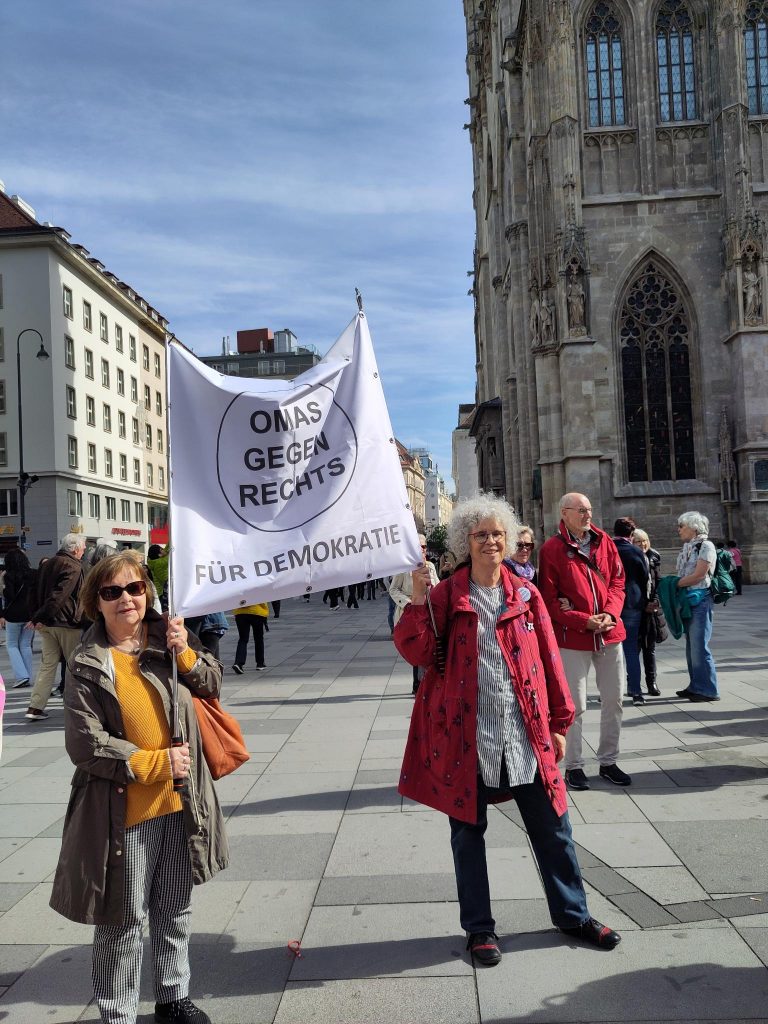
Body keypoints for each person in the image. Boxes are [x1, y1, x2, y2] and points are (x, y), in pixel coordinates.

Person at [395, 494, 620, 967]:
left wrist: (561, 723)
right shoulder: (444, 596)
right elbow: (415, 651)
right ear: (465, 541)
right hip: (466, 739)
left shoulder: (525, 592)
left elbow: (547, 658)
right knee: (468, 833)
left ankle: (573, 915)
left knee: (554, 827)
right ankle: (480, 930)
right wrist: (417, 599)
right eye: (481, 535)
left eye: (498, 534)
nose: (492, 542)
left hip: (524, 734)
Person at [49, 550, 228, 1024]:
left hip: (179, 804)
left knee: (174, 908)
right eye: (112, 592)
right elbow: (86, 744)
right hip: (122, 813)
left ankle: (173, 996)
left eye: (134, 588)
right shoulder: (88, 663)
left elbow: (211, 682)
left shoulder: (164, 639)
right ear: (96, 602)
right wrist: (154, 762)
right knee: (122, 922)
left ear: (147, 592)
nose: (126, 599)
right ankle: (119, 1013)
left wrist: (183, 648)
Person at [537, 494, 630, 791]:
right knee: (574, 705)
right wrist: (582, 620)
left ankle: (608, 760)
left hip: (609, 632)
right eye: (581, 510)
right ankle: (574, 766)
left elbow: (617, 581)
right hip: (573, 637)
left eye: (589, 509)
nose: (587, 514)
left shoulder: (604, 541)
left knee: (614, 700)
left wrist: (610, 613)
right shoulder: (552, 549)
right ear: (564, 513)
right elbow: (549, 601)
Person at [26, 533, 87, 721]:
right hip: (66, 623)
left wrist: (37, 618)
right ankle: (74, 707)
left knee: (47, 665)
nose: (84, 551)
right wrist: (41, 616)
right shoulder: (74, 566)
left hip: (48, 624)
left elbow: (35, 592)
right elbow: (60, 595)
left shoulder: (48, 563)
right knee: (73, 665)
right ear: (75, 549)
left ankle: (35, 707)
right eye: (83, 548)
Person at [675, 511, 720, 702]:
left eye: (681, 526)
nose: (678, 530)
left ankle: (708, 689)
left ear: (693, 528)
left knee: (700, 646)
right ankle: (696, 685)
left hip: (700, 599)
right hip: (688, 599)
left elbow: (700, 575)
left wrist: (674, 584)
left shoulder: (706, 545)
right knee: (691, 646)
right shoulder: (688, 547)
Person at [389, 534, 439, 694]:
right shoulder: (404, 567)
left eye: (424, 547)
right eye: (418, 546)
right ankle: (418, 685)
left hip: (428, 612)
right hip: (410, 613)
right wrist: (409, 603)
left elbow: (437, 586)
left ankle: (424, 684)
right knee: (415, 646)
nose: (422, 550)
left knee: (427, 646)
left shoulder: (430, 566)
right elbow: (393, 589)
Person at [612, 518, 650, 707]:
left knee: (608, 650)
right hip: (632, 603)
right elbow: (645, 578)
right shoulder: (636, 551)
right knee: (631, 649)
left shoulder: (606, 549)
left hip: (610, 604)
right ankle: (636, 692)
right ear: (631, 534)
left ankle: (609, 692)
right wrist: (646, 600)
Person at [630, 529, 666, 696]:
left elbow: (659, 582)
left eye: (644, 540)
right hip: (635, 610)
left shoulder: (654, 556)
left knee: (649, 648)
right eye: (638, 541)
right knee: (634, 648)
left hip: (651, 611)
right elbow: (629, 587)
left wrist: (655, 601)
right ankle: (633, 684)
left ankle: (652, 683)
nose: (642, 544)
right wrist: (642, 604)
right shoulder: (628, 558)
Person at [0, 548, 37, 689]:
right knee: (26, 644)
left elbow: (9, 595)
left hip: (13, 615)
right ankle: (27, 675)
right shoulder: (34, 573)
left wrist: (4, 589)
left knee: (12, 644)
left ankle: (22, 676)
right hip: (29, 615)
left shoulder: (8, 575)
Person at [232, 602, 268, 673]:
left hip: (240, 613)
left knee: (243, 639)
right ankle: (260, 663)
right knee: (258, 639)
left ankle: (238, 663)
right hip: (257, 612)